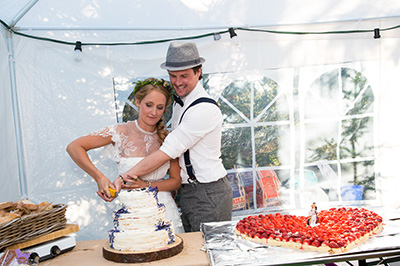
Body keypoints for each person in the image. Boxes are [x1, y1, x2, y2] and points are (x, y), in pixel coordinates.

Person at [119, 42, 233, 232]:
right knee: (193, 251)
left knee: (210, 254)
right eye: (173, 76)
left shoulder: (203, 109)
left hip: (208, 191)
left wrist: (125, 177)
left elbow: (168, 151)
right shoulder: (181, 103)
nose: (178, 82)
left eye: (184, 76)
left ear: (198, 72)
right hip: (187, 190)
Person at [66, 78, 184, 233]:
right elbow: (74, 147)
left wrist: (147, 186)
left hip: (165, 213)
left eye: (160, 107)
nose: (154, 112)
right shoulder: (121, 131)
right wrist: (99, 177)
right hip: (131, 213)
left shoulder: (169, 138)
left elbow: (175, 181)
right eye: (149, 105)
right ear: (137, 102)